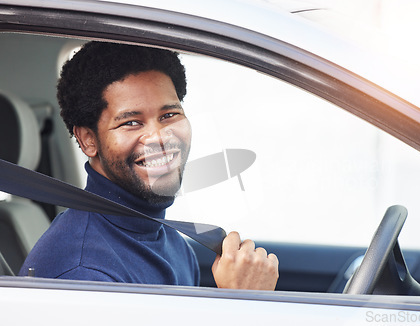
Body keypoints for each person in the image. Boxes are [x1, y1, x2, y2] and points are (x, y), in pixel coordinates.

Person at [19, 41, 278, 290]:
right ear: (88, 140)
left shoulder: (170, 241)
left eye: (169, 115)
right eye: (131, 122)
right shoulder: (83, 274)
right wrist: (239, 302)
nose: (160, 138)